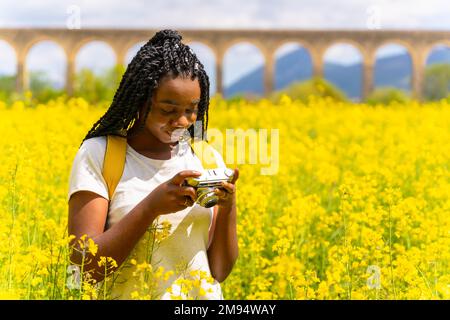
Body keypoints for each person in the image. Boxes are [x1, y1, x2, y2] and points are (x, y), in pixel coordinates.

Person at [67, 29, 239, 300]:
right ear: (140, 103)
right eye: (168, 110)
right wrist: (150, 208)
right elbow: (83, 269)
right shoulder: (100, 155)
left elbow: (218, 270)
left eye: (191, 110)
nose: (182, 121)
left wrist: (228, 207)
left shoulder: (206, 158)